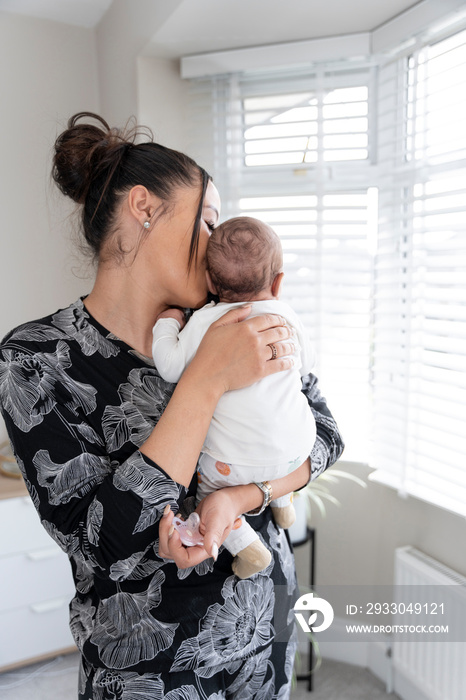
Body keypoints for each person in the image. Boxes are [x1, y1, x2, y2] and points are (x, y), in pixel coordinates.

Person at [0, 112, 344, 699]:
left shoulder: (233, 313)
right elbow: (100, 540)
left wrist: (248, 494)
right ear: (145, 208)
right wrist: (205, 381)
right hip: (152, 675)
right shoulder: (36, 359)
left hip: (266, 634)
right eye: (208, 221)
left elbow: (327, 435)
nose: (220, 241)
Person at [152, 216, 316, 579]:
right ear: (278, 282)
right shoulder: (286, 315)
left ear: (210, 280)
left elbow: (169, 366)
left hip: (234, 464)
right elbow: (308, 368)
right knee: (281, 424)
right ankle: (283, 502)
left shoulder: (206, 323)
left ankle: (247, 547)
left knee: (208, 494)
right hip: (297, 449)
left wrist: (167, 322)